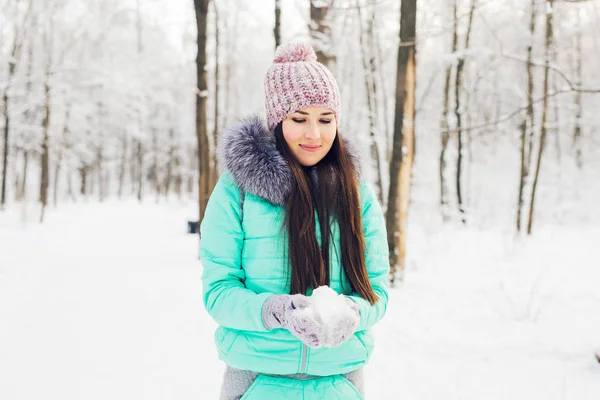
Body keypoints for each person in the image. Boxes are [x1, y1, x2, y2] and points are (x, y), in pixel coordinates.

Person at [200, 41, 390, 400]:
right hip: (256, 379)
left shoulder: (354, 192)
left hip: (340, 380)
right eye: (299, 119)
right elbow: (218, 291)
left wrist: (352, 313)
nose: (314, 134)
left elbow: (377, 291)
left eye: (325, 119)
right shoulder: (237, 192)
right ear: (277, 122)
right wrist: (275, 311)